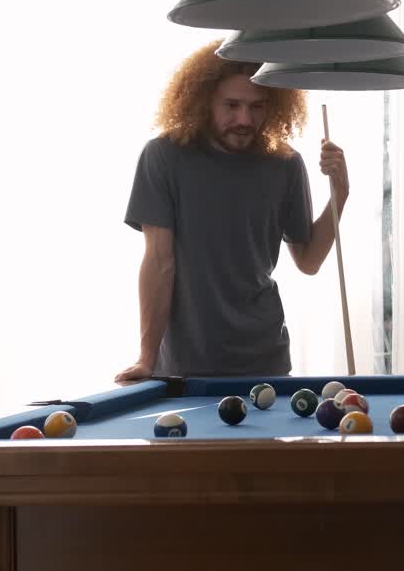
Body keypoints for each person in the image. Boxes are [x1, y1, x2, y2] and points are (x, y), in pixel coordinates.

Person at [114, 40, 349, 382]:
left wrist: (339, 193)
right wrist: (146, 359)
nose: (244, 119)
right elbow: (159, 262)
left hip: (265, 360)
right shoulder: (163, 156)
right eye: (232, 105)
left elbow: (309, 261)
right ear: (203, 101)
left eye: (256, 107)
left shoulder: (285, 164)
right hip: (186, 363)